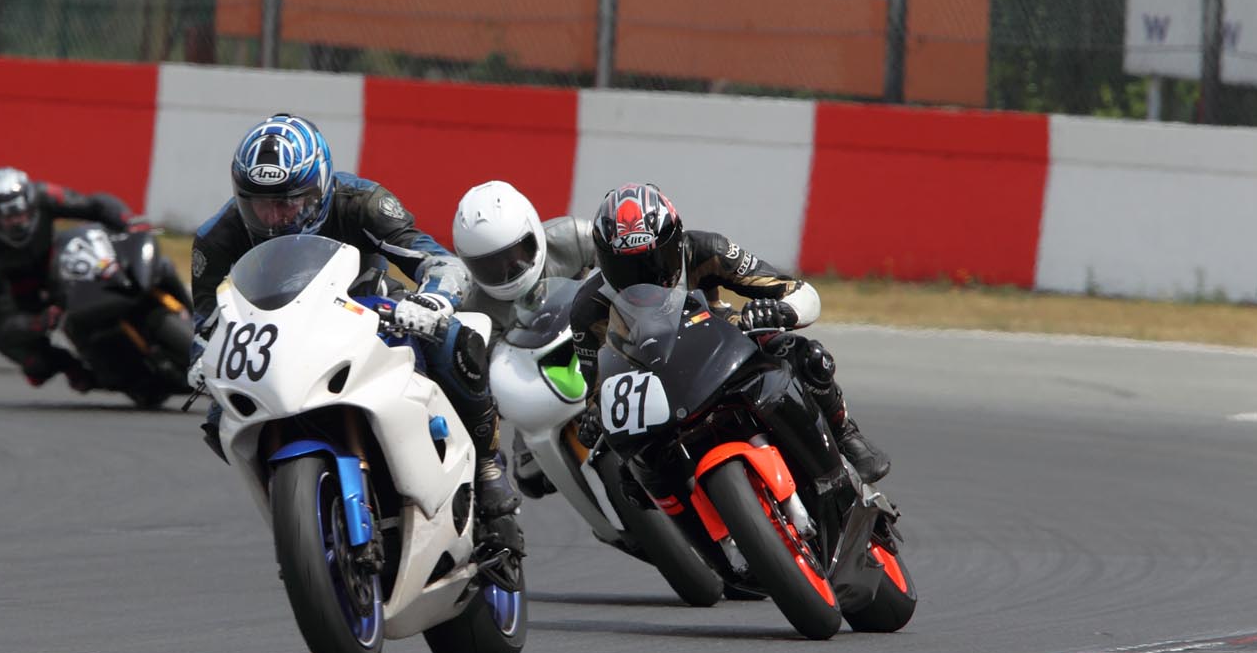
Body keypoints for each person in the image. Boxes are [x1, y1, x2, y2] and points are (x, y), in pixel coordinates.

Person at [188, 114, 524, 557]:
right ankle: (297, 517)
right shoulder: (218, 237)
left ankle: (486, 469)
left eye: (291, 202)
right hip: (279, 338)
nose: (275, 217)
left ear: (322, 187)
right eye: (260, 204)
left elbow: (437, 261)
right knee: (218, 418)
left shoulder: (361, 202)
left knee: (454, 340)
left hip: (366, 312)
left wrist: (433, 301)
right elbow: (207, 321)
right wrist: (202, 359)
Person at [569, 181, 891, 490]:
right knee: (628, 476)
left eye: (652, 261)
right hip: (653, 382)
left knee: (804, 354)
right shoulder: (589, 307)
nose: (644, 277)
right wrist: (595, 416)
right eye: (627, 268)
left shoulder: (706, 249)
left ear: (676, 240)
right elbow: (595, 386)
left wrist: (780, 312)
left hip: (722, 349)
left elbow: (800, 292)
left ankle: (845, 434)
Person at [451, 180, 595, 498]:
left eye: (515, 255)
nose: (507, 271)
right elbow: (487, 389)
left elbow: (630, 273)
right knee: (531, 478)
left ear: (533, 233)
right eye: (489, 266)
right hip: (535, 374)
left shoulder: (575, 237)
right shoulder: (476, 312)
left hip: (600, 340)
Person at [0, 166, 134, 393]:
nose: (18, 222)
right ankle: (72, 368)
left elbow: (95, 204)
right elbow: (1, 321)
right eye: (10, 217)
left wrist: (129, 222)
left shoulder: (44, 195)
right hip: (23, 296)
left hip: (54, 262)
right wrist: (38, 322)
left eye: (22, 213)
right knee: (36, 366)